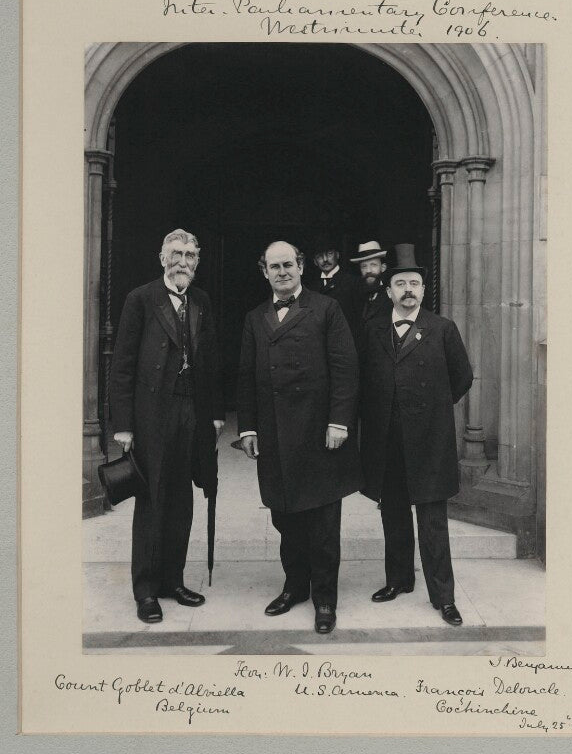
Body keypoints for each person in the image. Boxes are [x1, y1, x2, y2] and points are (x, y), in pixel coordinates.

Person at [237, 241, 360, 634]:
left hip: (319, 433)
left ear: (301, 266)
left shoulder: (327, 309)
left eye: (288, 264)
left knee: (323, 522)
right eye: (274, 266)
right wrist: (249, 427)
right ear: (264, 272)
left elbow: (345, 369)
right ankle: (295, 587)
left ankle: (325, 598)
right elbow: (245, 376)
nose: (282, 272)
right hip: (274, 432)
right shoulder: (255, 317)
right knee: (284, 516)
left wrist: (340, 422)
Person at [109, 229, 225, 624]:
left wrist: (214, 414)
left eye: (191, 255)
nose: (183, 261)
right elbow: (122, 363)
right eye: (176, 253)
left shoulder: (202, 300)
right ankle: (145, 589)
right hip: (151, 414)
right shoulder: (140, 299)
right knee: (152, 499)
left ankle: (173, 580)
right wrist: (123, 425)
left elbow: (210, 362)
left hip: (191, 411)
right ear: (162, 258)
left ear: (197, 261)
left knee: (182, 499)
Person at [359, 243, 473, 626]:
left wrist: (430, 413)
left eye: (415, 284)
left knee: (432, 520)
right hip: (387, 441)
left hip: (429, 442)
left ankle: (444, 597)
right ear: (389, 291)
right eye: (401, 283)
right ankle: (398, 580)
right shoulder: (372, 330)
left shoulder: (442, 329)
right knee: (392, 512)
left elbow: (462, 378)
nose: (408, 290)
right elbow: (364, 383)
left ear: (424, 291)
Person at [307, 238, 360, 336]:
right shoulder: (311, 289)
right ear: (315, 262)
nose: (325, 259)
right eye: (320, 256)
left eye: (329, 254)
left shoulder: (353, 282)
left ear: (338, 255)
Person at [350, 240, 393, 325]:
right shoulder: (357, 294)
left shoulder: (392, 295)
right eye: (364, 266)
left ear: (383, 267)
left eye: (373, 265)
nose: (368, 270)